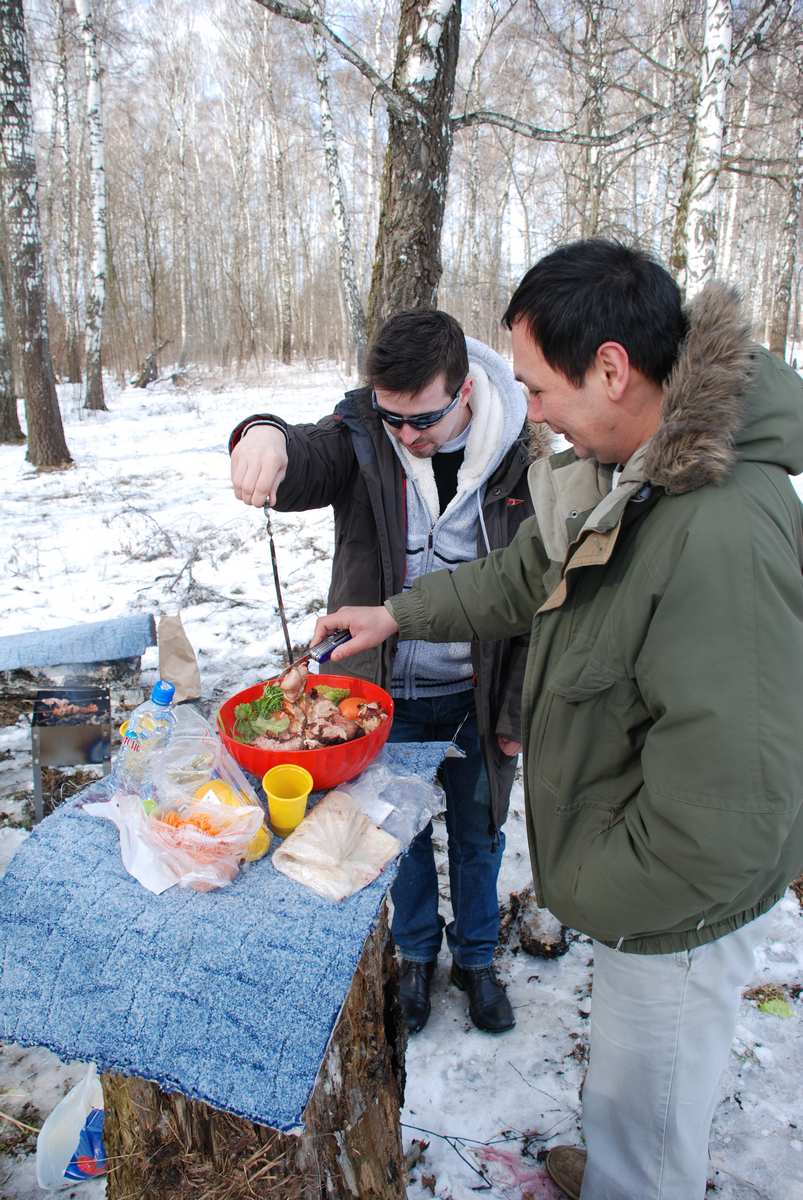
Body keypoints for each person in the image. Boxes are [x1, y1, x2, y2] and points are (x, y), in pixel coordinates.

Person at [312, 240, 803, 1199]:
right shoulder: (639, 474)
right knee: (632, 1095)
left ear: (611, 370)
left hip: (671, 909)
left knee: (650, 1121)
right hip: (645, 888)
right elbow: (528, 572)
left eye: (538, 390)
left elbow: (729, 811)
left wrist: (590, 883)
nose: (527, 413)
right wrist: (396, 614)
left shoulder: (716, 532)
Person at [230, 309, 547, 1034]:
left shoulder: (525, 460)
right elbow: (308, 456)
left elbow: (532, 597)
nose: (406, 436)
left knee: (476, 836)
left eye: (423, 420)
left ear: (464, 390)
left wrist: (512, 715)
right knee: (390, 834)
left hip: (475, 691)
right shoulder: (365, 434)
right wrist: (264, 436)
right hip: (374, 696)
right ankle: (412, 955)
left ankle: (474, 959)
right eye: (391, 418)